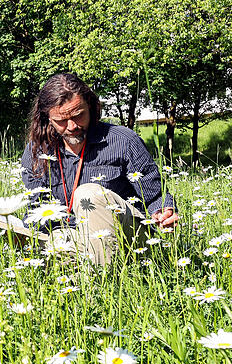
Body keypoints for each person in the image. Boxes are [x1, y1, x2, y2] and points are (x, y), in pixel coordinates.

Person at [20, 72, 178, 266]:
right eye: (61, 121)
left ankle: (100, 283)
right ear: (47, 119)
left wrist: (164, 212)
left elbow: (155, 196)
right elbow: (37, 208)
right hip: (74, 235)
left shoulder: (123, 140)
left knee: (88, 195)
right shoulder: (37, 151)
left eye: (79, 115)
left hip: (128, 238)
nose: (71, 126)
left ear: (91, 107)